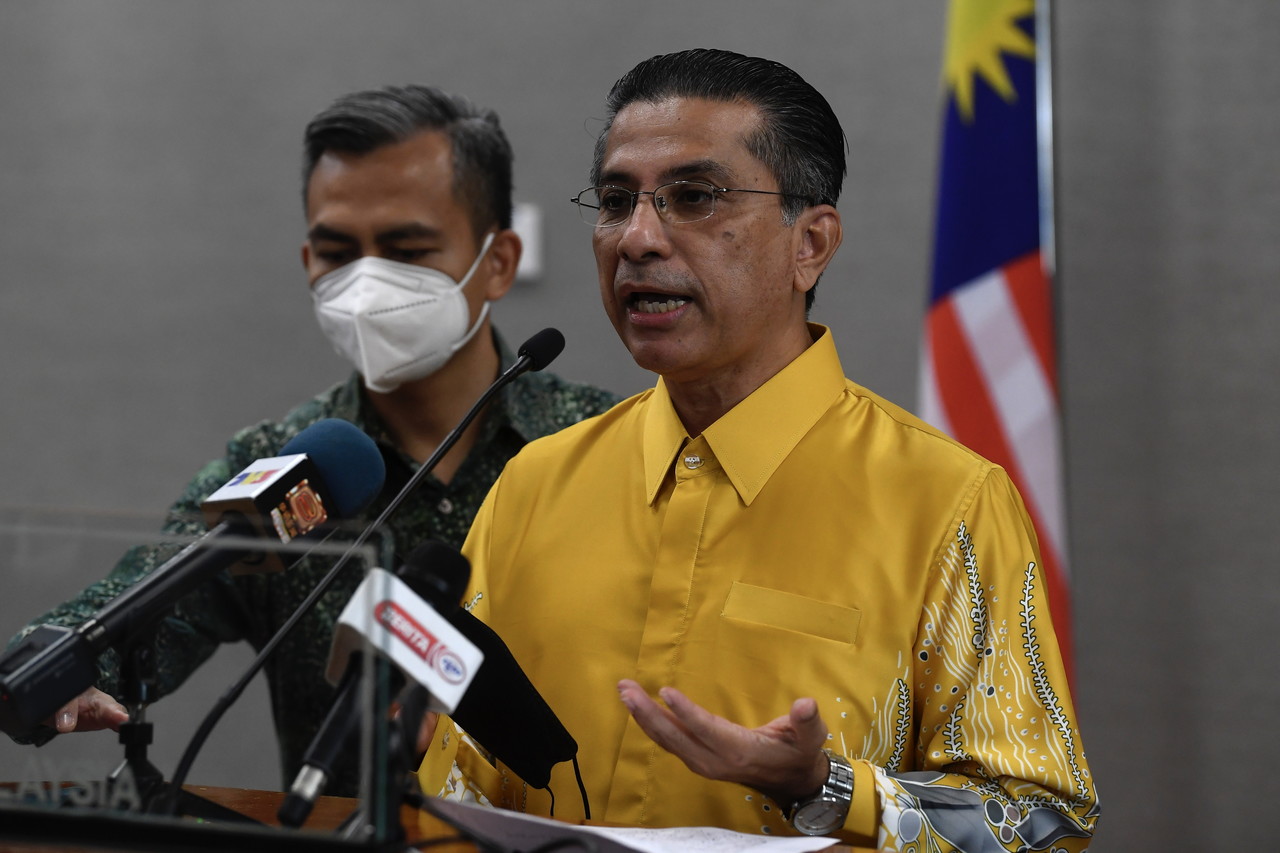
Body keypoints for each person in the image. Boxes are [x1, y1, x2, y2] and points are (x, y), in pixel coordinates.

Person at [420, 50, 1098, 850]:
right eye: (614, 200)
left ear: (810, 243)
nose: (636, 238)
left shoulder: (945, 500)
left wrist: (825, 788)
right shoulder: (535, 483)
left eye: (694, 197)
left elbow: (1042, 819)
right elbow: (449, 788)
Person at [7, 84, 620, 796]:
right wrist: (52, 665)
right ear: (307, 264)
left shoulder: (603, 445)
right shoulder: (276, 467)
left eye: (406, 248)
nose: (366, 281)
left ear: (499, 261)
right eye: (337, 251)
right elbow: (149, 597)